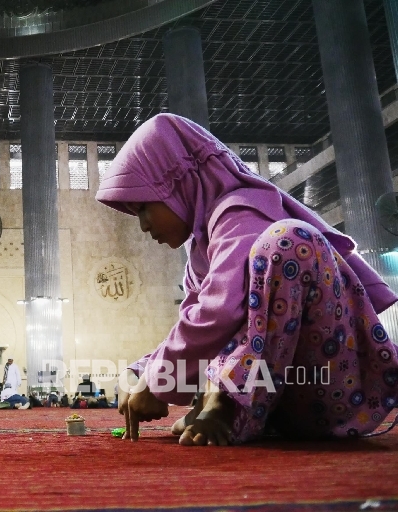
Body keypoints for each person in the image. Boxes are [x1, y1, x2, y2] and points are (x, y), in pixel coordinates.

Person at [95, 113, 398, 446]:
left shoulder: (241, 213)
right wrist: (141, 371)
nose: (143, 225)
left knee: (289, 241)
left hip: (333, 389)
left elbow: (219, 314)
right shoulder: (202, 250)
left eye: (143, 208)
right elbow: (196, 324)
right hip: (283, 399)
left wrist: (157, 381)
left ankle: (223, 402)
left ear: (177, 183)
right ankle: (220, 399)